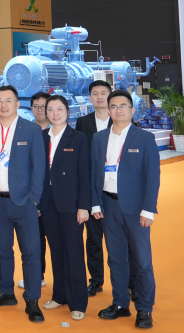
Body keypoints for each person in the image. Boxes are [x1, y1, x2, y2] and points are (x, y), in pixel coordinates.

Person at [91, 90, 160, 329]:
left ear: (132, 110)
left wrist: (148, 210)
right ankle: (120, 302)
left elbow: (153, 176)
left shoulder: (144, 138)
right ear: (108, 110)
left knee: (142, 260)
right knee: (116, 258)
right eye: (114, 106)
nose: (118, 110)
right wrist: (95, 203)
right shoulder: (99, 138)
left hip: (135, 209)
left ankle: (144, 308)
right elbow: (94, 173)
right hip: (108, 206)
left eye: (123, 106)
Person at [0, 85, 46, 324]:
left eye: (9, 100)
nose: (4, 105)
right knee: (2, 250)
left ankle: (32, 299)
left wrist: (33, 199)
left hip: (23, 202)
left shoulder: (31, 130)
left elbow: (39, 167)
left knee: (30, 252)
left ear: (18, 104)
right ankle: (6, 291)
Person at [39, 95, 91, 320]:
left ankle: (77, 302)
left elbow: (85, 174)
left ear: (68, 112)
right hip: (47, 203)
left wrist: (84, 206)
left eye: (60, 109)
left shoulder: (78, 138)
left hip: (71, 204)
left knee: (74, 252)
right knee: (56, 251)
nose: (55, 113)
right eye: (51, 109)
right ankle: (59, 295)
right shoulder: (41, 137)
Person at [75, 80, 114, 297]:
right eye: (95, 93)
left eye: (103, 93)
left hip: (115, 190)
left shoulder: (121, 119)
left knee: (120, 241)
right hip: (92, 190)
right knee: (93, 240)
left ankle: (129, 282)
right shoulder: (83, 122)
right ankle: (96, 280)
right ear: (89, 98)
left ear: (110, 95)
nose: (99, 96)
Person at [18, 91, 51, 290]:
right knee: (34, 240)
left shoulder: (56, 132)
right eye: (36, 106)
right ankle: (37, 276)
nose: (40, 110)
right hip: (31, 195)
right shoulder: (27, 131)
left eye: (43, 106)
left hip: (52, 195)